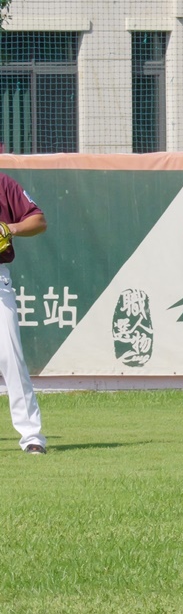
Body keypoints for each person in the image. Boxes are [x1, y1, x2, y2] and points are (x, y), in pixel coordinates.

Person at [0, 173, 47, 454]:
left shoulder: (4, 184)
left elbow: (38, 221)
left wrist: (10, 228)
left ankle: (32, 436)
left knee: (11, 357)